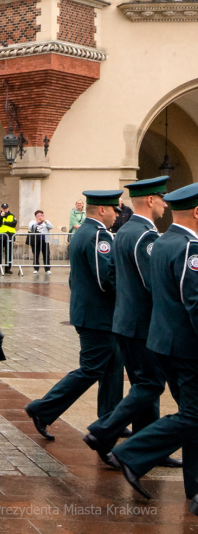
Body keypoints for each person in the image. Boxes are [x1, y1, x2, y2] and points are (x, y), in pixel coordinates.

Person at [111, 182, 198, 513]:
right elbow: (195, 303)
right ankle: (131, 452)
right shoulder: (190, 248)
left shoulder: (163, 242)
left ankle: (195, 488)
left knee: (193, 415)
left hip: (164, 342)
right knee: (192, 414)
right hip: (187, 347)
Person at [83, 177, 180, 468]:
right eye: (161, 198)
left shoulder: (123, 232)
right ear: (150, 201)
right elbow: (155, 284)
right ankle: (103, 431)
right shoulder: (146, 236)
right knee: (149, 385)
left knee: (144, 384)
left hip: (125, 321)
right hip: (143, 324)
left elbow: (113, 276)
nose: (165, 204)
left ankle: (149, 448)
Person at [26, 191, 124, 441]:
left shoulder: (82, 232)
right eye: (114, 209)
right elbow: (106, 279)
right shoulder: (99, 235)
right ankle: (42, 408)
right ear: (101, 210)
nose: (117, 214)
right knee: (91, 369)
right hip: (98, 316)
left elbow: (74, 278)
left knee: (113, 369)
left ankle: (110, 420)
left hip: (93, 314)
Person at [0, 203, 16, 275]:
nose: (5, 210)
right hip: (0, 237)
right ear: (1, 209)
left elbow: (14, 224)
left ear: (8, 208)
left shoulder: (12, 216)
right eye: (3, 208)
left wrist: (4, 222)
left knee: (9, 254)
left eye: (6, 208)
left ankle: (7, 269)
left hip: (9, 237)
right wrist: (1, 217)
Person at [28, 210, 54, 274]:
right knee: (36, 254)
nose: (39, 216)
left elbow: (51, 227)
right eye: (38, 215)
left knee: (46, 254)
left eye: (41, 215)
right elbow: (30, 228)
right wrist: (37, 222)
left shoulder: (46, 222)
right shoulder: (33, 222)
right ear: (35, 216)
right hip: (36, 240)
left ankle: (47, 269)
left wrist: (44, 221)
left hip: (44, 240)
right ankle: (36, 268)